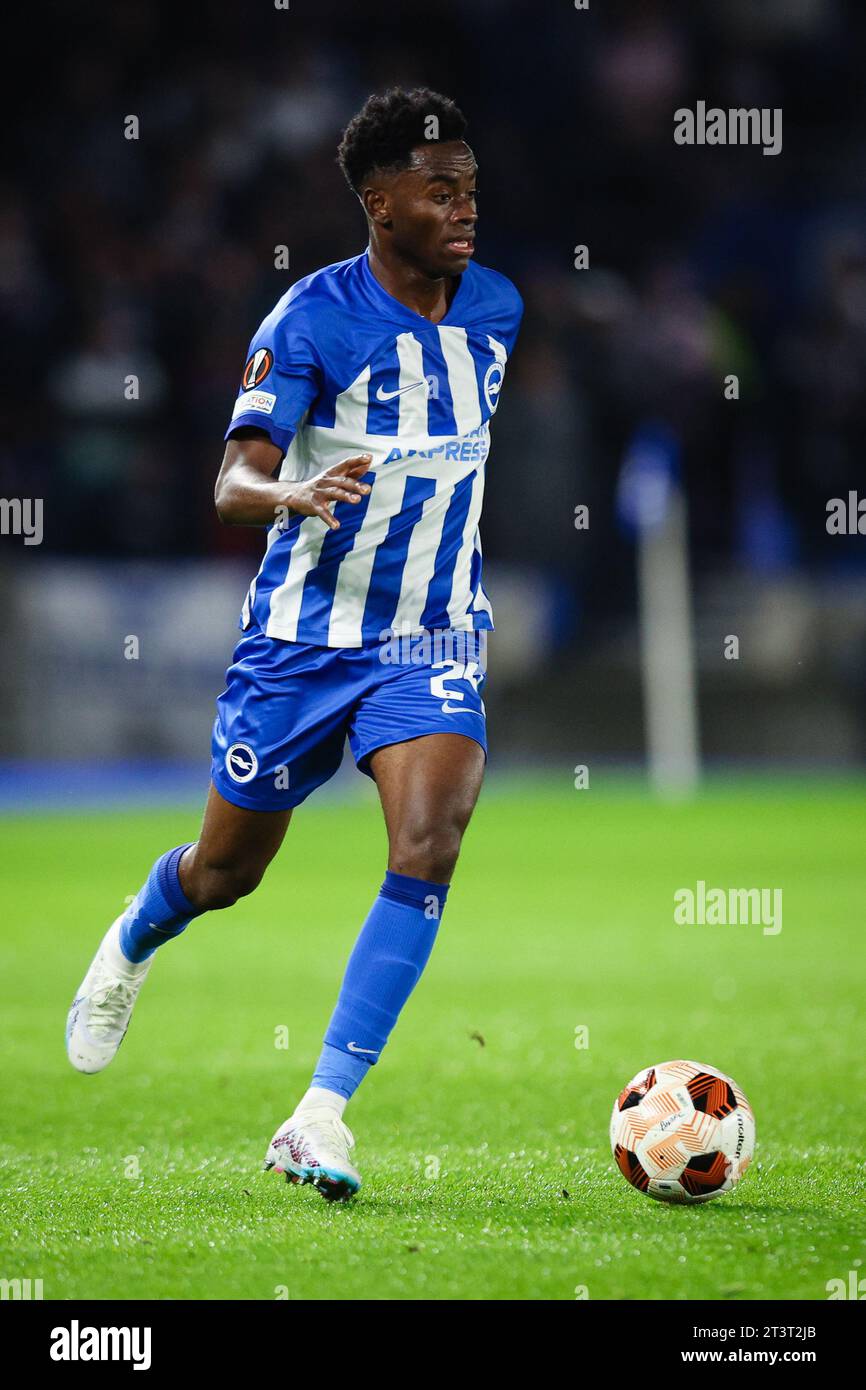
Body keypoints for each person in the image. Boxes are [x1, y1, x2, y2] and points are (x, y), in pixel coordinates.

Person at [66, 86, 523, 1201]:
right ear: (377, 202)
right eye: (437, 189)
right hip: (299, 644)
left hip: (429, 636)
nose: (464, 206)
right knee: (227, 872)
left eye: (469, 185)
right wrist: (289, 491)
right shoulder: (310, 319)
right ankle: (135, 930)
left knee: (430, 838)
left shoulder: (498, 308)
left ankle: (319, 1113)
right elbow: (228, 482)